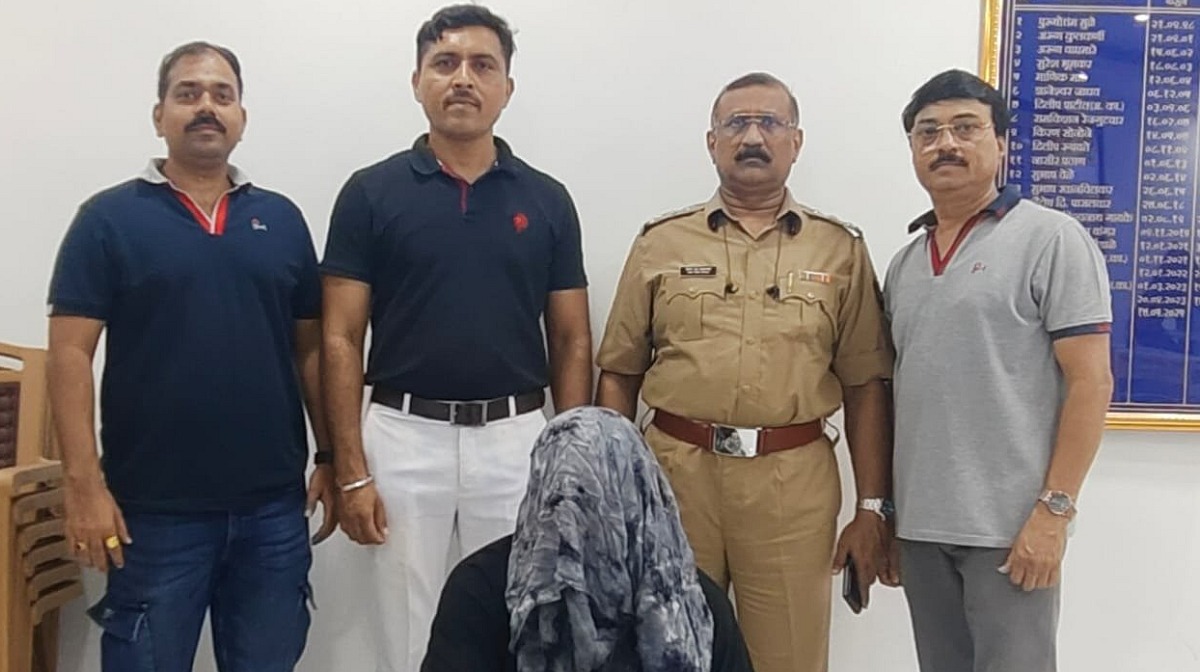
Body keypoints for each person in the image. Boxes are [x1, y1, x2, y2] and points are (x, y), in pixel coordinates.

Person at [319, 5, 593, 669]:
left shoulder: (547, 199)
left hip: (517, 440)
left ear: (507, 87)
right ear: (417, 81)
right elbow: (340, 337)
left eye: (482, 65)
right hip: (403, 436)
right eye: (445, 63)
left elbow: (572, 341)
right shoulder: (370, 194)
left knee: (522, 620)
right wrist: (350, 470)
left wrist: (571, 463)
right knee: (407, 631)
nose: (463, 78)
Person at [46, 41, 333, 672]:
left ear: (241, 118)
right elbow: (68, 355)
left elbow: (311, 350)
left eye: (222, 95)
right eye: (188, 93)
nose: (206, 106)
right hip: (153, 516)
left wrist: (332, 457)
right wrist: (83, 485)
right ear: (159, 115)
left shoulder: (282, 220)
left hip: (272, 512)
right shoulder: (108, 220)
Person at [595, 72, 895, 672]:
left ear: (796, 141)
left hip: (792, 485)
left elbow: (865, 386)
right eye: (736, 123)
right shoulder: (660, 242)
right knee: (667, 651)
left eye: (770, 123)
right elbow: (619, 373)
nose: (753, 137)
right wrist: (614, 491)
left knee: (788, 658)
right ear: (712, 142)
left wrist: (872, 508)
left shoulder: (840, 249)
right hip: (675, 479)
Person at [885, 69, 1113, 672]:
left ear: (1002, 142)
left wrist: (1054, 512)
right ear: (913, 148)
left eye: (966, 128)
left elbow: (1091, 382)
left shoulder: (1051, 240)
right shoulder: (904, 263)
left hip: (1011, 533)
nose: (946, 144)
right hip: (921, 529)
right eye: (928, 132)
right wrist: (888, 514)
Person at [421, 406, 755, 672]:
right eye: (564, 498)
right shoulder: (481, 589)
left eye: (595, 499)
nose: (576, 520)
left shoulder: (696, 603)